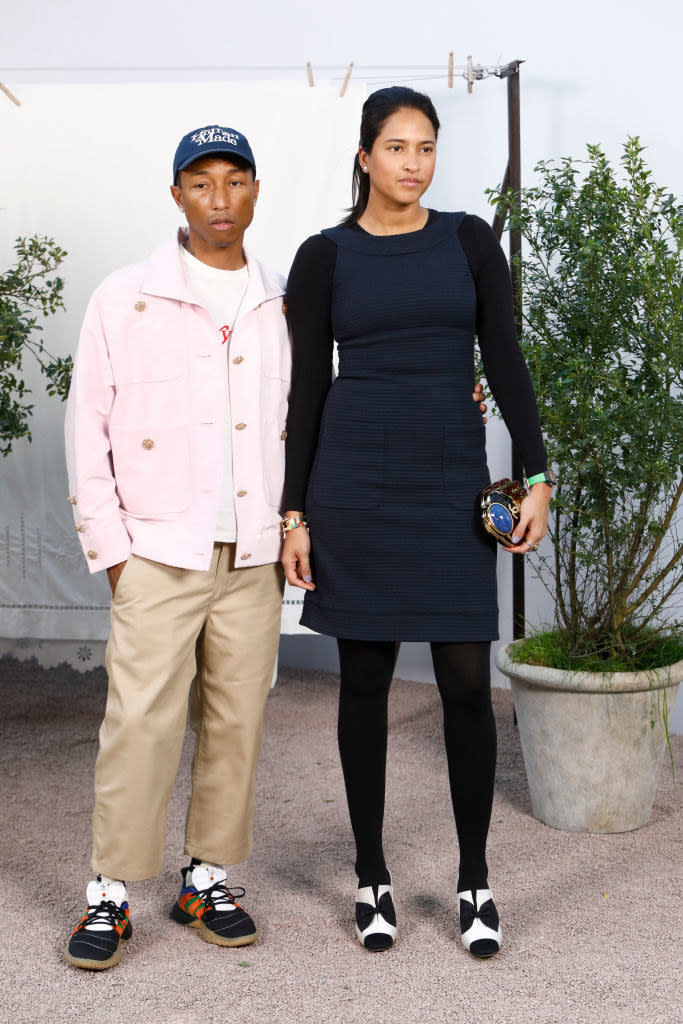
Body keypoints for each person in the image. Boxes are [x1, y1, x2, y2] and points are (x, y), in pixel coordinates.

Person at [281, 87, 554, 958]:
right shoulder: (322, 257)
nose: (412, 163)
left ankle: (475, 878)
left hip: (446, 484)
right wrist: (295, 513)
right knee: (361, 683)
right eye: (395, 147)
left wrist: (538, 475)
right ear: (363, 156)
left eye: (425, 147)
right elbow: (305, 391)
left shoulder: (470, 241)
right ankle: (371, 875)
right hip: (353, 484)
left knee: (468, 687)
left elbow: (502, 356)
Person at [63, 125, 291, 970]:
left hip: (253, 556)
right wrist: (113, 550)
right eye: (201, 184)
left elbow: (304, 423)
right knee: (141, 723)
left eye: (235, 182)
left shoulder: (283, 302)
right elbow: (86, 426)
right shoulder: (125, 297)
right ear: (176, 196)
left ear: (256, 191)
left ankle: (208, 878)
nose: (220, 200)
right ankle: (111, 893)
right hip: (158, 551)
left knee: (237, 721)